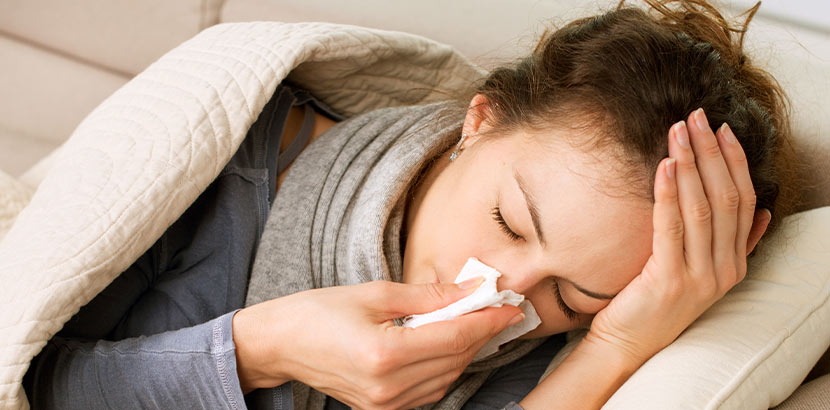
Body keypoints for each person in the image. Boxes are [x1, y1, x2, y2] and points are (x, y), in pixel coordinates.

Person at [23, 0, 801, 409]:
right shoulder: (221, 162)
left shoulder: (544, 344)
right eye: (510, 222)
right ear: (479, 121)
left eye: (572, 295)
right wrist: (260, 352)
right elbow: (29, 377)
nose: (497, 292)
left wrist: (613, 347)